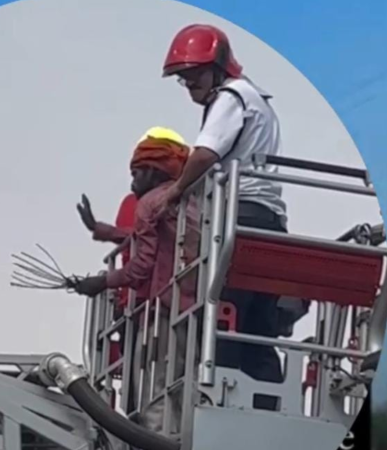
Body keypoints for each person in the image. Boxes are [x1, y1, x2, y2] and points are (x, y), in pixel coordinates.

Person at [159, 23, 287, 385]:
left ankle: (221, 397)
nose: (189, 86)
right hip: (269, 221)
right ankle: (266, 404)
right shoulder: (257, 100)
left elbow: (204, 154)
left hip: (240, 217)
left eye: (194, 75)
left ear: (218, 67)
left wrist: (176, 191)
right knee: (258, 327)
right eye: (183, 79)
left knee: (224, 315)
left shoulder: (231, 97)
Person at [75, 132, 199, 433]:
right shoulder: (190, 200)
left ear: (152, 171)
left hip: (160, 310)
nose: (132, 183)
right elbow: (148, 237)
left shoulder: (147, 203)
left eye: (136, 173)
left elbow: (140, 267)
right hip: (193, 308)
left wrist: (103, 282)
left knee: (154, 390)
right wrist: (102, 230)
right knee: (185, 387)